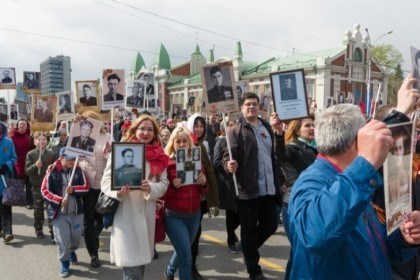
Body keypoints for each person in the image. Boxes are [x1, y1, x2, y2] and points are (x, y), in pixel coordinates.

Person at [287, 103, 420, 279]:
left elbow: (373, 250)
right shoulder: (312, 182)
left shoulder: (353, 180)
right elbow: (315, 237)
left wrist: (404, 237)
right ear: (357, 142)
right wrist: (366, 162)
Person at [224, 92, 284, 280]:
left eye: (255, 104)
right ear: (241, 108)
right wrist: (228, 165)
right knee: (248, 230)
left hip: (268, 188)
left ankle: (247, 248)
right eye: (248, 104)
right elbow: (228, 155)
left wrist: (279, 180)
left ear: (259, 107)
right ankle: (254, 270)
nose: (252, 107)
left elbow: (276, 157)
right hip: (248, 190)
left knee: (271, 225)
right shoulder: (235, 130)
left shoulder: (266, 127)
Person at [101, 114, 169, 280]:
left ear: (154, 133)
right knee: (132, 271)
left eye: (149, 129)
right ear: (135, 130)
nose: (145, 132)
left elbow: (165, 183)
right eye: (142, 128)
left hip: (146, 218)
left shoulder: (160, 155)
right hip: (126, 218)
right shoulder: (120, 150)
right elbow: (105, 181)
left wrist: (150, 188)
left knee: (139, 267)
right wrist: (118, 192)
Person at [271, 114, 317, 279]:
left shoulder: (315, 147)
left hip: (311, 205)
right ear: (297, 130)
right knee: (301, 250)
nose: (312, 128)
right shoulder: (292, 147)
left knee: (299, 251)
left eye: (313, 125)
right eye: (307, 125)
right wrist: (278, 133)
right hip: (293, 206)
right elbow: (281, 155)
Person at [162, 126, 208, 280]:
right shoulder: (167, 164)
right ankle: (171, 272)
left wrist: (203, 183)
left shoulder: (196, 161)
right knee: (187, 257)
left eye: (184, 141)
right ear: (173, 143)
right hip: (174, 216)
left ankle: (169, 271)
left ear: (189, 143)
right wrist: (172, 186)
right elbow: (162, 195)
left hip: (194, 215)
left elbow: (203, 191)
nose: (181, 144)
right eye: (178, 141)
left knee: (184, 250)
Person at [41, 147, 89, 277]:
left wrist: (74, 189)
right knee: (62, 240)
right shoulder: (52, 172)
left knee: (75, 238)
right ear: (61, 158)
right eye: (69, 159)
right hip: (59, 214)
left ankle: (71, 251)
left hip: (76, 212)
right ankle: (64, 261)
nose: (72, 162)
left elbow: (86, 187)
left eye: (74, 159)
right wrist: (59, 200)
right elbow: (45, 191)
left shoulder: (78, 171)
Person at [76, 111, 111, 268]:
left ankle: (93, 235)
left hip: (104, 183)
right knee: (88, 219)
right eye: (87, 121)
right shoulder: (81, 136)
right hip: (87, 183)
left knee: (102, 218)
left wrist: (108, 153)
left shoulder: (107, 137)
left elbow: (114, 158)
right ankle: (93, 254)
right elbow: (73, 156)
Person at [187, 113, 220, 280]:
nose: (199, 129)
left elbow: (207, 170)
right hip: (187, 198)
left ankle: (189, 267)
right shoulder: (185, 143)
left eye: (201, 126)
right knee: (190, 236)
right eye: (196, 126)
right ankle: (186, 268)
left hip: (200, 196)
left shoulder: (202, 145)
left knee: (196, 232)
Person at [213, 118, 240, 254]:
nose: (233, 127)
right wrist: (227, 165)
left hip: (241, 183)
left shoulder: (240, 140)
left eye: (234, 124)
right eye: (230, 125)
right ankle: (230, 240)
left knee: (242, 213)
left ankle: (233, 231)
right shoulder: (221, 142)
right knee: (231, 213)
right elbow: (216, 162)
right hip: (228, 184)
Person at [25, 131, 55, 238]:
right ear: (34, 141)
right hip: (37, 186)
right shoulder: (31, 154)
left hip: (49, 186)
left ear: (47, 141)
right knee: (38, 208)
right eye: (39, 139)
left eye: (44, 139)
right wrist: (34, 166)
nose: (41, 141)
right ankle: (38, 228)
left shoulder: (51, 154)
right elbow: (27, 171)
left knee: (51, 208)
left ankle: (53, 231)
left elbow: (56, 169)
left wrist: (52, 168)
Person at [10, 119, 35, 210]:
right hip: (18, 163)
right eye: (20, 124)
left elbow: (34, 147)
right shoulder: (12, 136)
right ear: (17, 125)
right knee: (19, 184)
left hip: (28, 163)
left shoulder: (30, 136)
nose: (22, 126)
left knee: (29, 184)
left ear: (26, 126)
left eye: (23, 124)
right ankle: (19, 200)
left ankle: (29, 202)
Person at [0, 121, 18, 243]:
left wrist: (7, 165)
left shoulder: (8, 142)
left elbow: (14, 158)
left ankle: (7, 232)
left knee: (6, 206)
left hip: (4, 180)